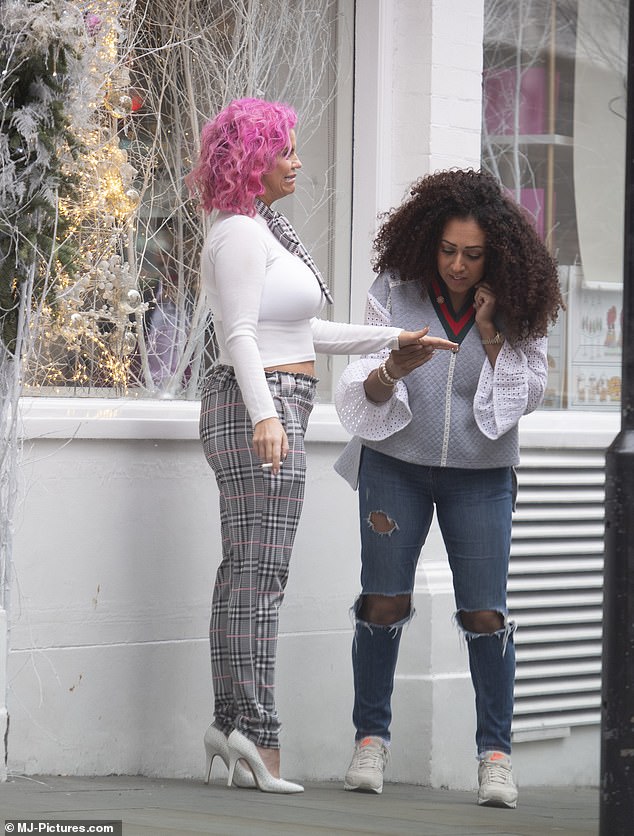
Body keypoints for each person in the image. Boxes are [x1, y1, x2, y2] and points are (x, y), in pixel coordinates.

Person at [185, 98, 458, 795]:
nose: (298, 161)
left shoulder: (257, 230)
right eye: (285, 151)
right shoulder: (243, 234)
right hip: (263, 403)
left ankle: (230, 722)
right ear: (252, 160)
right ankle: (257, 733)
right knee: (263, 577)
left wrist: (391, 340)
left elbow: (301, 336)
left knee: (246, 571)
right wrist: (265, 415)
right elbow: (241, 335)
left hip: (273, 397)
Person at [333, 169, 564, 807]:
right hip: (395, 465)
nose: (458, 265)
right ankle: (370, 740)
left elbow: (529, 395)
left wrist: (490, 332)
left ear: (496, 254)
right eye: (448, 250)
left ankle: (494, 756)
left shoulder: (517, 302)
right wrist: (391, 368)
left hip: (482, 476)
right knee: (382, 600)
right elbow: (363, 391)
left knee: (485, 612)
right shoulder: (395, 291)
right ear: (430, 241)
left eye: (473, 254)